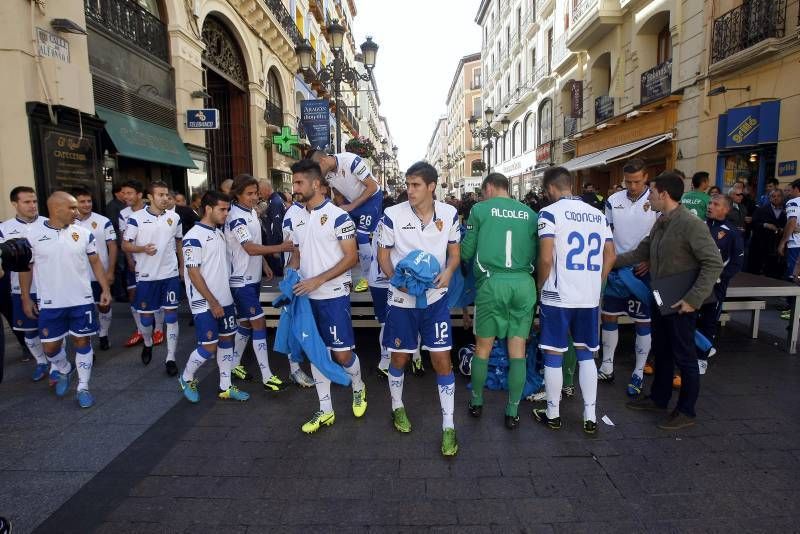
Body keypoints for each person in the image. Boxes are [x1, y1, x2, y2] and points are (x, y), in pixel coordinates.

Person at [621, 172, 723, 430]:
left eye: (652, 192)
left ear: (664, 194)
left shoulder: (691, 223)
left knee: (685, 356)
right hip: (660, 294)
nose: (649, 196)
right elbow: (641, 252)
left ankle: (686, 411)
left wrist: (693, 299)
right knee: (662, 350)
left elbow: (713, 263)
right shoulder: (662, 221)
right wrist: (606, 259)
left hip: (681, 301)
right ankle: (659, 399)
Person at [377, 161, 461, 456]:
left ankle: (448, 425)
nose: (409, 190)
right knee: (398, 358)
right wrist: (394, 281)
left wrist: (449, 272)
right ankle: (397, 406)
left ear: (431, 187)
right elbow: (383, 255)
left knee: (442, 360)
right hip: (402, 302)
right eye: (407, 184)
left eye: (415, 185)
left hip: (435, 301)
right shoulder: (391, 215)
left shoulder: (449, 214)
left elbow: (454, 254)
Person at [532, 167, 616, 434]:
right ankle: (590, 416)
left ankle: (554, 414)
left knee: (554, 355)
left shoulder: (549, 213)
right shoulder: (598, 214)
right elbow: (611, 255)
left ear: (551, 190)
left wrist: (538, 285)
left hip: (558, 295)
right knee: (586, 355)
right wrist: (597, 283)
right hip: (588, 296)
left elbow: (546, 258)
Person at [288, 159, 364, 433]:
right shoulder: (295, 216)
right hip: (307, 297)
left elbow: (351, 257)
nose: (294, 187)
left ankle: (358, 386)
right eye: (293, 182)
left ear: (316, 184)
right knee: (317, 353)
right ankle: (325, 409)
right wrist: (290, 276)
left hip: (332, 295)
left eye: (299, 182)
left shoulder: (338, 216)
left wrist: (317, 280)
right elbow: (297, 253)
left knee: (342, 355)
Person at [460, 173, 538, 430]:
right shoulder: (529, 213)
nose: (482, 197)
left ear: (490, 188)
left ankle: (477, 401)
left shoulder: (479, 210)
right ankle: (512, 410)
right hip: (523, 283)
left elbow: (467, 251)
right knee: (518, 351)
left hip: (492, 284)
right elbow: (539, 254)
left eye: (483, 192)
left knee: (483, 348)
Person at [20, 191, 112, 408]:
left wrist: (105, 289)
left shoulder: (83, 233)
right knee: (50, 347)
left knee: (82, 341)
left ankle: (83, 387)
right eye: (71, 208)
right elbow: (26, 269)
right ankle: (63, 369)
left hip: (82, 300)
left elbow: (96, 262)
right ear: (56, 209)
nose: (77, 211)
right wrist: (26, 297)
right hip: (51, 303)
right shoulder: (32, 236)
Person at [178, 191, 249, 403]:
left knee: (227, 339)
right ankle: (187, 377)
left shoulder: (218, 232)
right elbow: (193, 273)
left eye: (227, 209)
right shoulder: (193, 237)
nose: (226, 213)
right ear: (208, 209)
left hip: (224, 299)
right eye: (222, 209)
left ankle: (225, 386)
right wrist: (213, 301)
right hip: (205, 303)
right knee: (208, 346)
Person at [225, 174, 291, 391]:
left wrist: (264, 265)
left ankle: (234, 364)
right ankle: (266, 375)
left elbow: (255, 245)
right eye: (249, 194)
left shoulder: (251, 212)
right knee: (259, 322)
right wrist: (279, 248)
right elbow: (249, 247)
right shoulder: (235, 217)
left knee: (245, 322)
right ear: (237, 195)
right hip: (240, 280)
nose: (254, 197)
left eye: (256, 193)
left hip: (252, 279)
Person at [600, 158, 660, 396]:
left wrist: (650, 260)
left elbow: (661, 235)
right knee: (609, 316)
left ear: (645, 177)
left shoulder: (655, 200)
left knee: (643, 321)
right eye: (627, 181)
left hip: (642, 271)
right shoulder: (613, 201)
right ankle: (607, 364)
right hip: (617, 268)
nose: (632, 186)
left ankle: (638, 369)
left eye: (636, 181)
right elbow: (608, 234)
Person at [122, 180, 184, 375]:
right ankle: (147, 343)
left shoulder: (174, 217)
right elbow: (125, 245)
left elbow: (179, 242)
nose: (165, 198)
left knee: (172, 316)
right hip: (147, 277)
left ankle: (170, 358)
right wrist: (142, 249)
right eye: (160, 195)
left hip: (170, 274)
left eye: (167, 195)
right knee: (147, 320)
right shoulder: (136, 218)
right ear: (150, 197)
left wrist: (182, 265)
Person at [309, 150, 382, 293]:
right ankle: (345, 276)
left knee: (362, 236)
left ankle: (367, 277)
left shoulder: (351, 161)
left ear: (323, 160)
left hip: (371, 198)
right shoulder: (327, 174)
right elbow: (337, 193)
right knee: (344, 236)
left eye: (318, 170)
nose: (318, 175)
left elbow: (372, 186)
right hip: (352, 201)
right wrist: (340, 208)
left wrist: (352, 206)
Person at [0, 186, 50, 380]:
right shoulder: (4, 229)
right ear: (15, 204)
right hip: (20, 289)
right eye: (26, 202)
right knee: (29, 330)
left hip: (48, 287)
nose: (32, 205)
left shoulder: (49, 223)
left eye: (34, 201)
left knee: (51, 329)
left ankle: (56, 364)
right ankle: (41, 362)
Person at [697, 194, 744, 373]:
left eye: (716, 204)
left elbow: (737, 262)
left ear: (726, 209)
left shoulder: (732, 233)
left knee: (709, 321)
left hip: (715, 286)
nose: (710, 206)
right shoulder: (699, 226)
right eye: (709, 203)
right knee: (691, 319)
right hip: (694, 283)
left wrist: (719, 277)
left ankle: (701, 359)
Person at [118, 180, 162, 348]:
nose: (125, 196)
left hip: (152, 261)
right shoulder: (123, 213)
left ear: (139, 195)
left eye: (129, 193)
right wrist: (129, 260)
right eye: (123, 193)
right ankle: (141, 330)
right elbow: (125, 239)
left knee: (154, 295)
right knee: (133, 295)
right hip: (134, 261)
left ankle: (158, 329)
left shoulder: (151, 210)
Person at [73, 187, 117, 351]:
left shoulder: (103, 221)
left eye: (89, 201)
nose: (86, 205)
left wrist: (110, 271)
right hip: (78, 277)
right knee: (84, 310)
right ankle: (88, 343)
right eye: (82, 201)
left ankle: (103, 334)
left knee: (104, 306)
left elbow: (112, 246)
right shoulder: (68, 222)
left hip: (100, 275)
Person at [748, 189, 786, 278]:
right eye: (773, 196)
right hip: (762, 243)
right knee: (757, 270)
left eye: (778, 196)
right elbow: (753, 223)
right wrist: (765, 225)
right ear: (769, 198)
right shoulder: (761, 210)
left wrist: (783, 229)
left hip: (778, 243)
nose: (776, 198)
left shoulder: (787, 210)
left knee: (775, 270)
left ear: (782, 197)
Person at [257, 178, 287, 278]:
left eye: (260, 191)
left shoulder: (275, 202)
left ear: (266, 189)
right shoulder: (274, 200)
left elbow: (276, 226)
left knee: (277, 277)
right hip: (276, 247)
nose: (259, 195)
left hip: (276, 248)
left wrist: (276, 248)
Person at [779, 179, 800, 286]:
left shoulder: (793, 202)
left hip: (796, 244)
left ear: (796, 189)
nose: (790, 193)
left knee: (793, 274)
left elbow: (792, 221)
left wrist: (782, 242)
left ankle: (792, 302)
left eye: (791, 190)